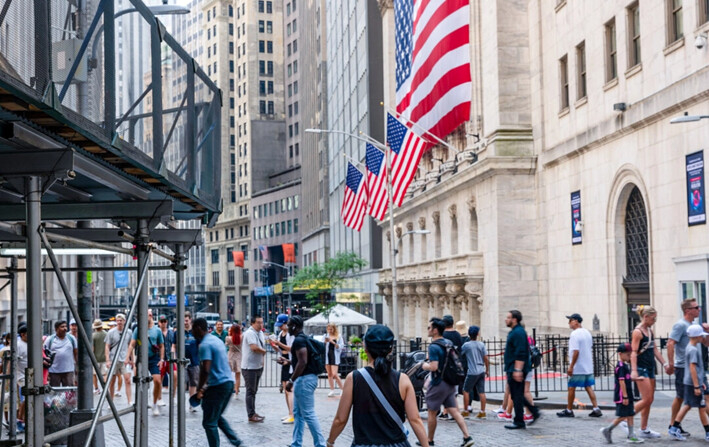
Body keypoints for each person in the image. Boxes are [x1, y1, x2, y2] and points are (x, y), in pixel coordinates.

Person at [327, 324, 429, 447]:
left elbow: (340, 420)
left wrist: (330, 442)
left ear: (365, 348)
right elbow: (415, 420)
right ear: (391, 349)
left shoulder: (353, 378)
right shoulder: (403, 380)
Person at [419, 318, 474, 447]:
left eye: (429, 328)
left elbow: (433, 366)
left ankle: (429, 441)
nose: (428, 330)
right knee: (454, 410)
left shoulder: (434, 346)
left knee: (432, 412)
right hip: (450, 382)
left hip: (438, 383)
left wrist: (423, 365)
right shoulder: (448, 343)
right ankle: (467, 437)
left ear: (435, 330)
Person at [192, 318, 243, 447]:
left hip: (218, 386)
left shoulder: (205, 345)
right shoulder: (216, 341)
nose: (192, 332)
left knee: (209, 422)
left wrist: (199, 389)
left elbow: (205, 369)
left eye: (193, 328)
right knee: (216, 417)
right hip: (228, 384)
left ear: (198, 328)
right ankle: (237, 442)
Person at [283, 315, 326, 447]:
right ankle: (296, 443)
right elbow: (301, 361)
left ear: (295, 326)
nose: (287, 327)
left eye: (289, 325)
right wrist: (289, 361)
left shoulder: (299, 341)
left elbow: (302, 362)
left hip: (304, 381)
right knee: (298, 413)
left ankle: (321, 444)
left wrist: (291, 380)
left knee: (308, 413)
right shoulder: (304, 339)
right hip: (306, 379)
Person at [628, 305, 667, 439]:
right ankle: (624, 419)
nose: (655, 321)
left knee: (650, 400)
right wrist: (634, 371)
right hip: (641, 367)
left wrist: (665, 363)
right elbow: (633, 352)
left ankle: (644, 428)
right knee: (646, 399)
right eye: (653, 318)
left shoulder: (650, 331)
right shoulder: (637, 332)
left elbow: (655, 350)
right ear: (646, 317)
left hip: (650, 367)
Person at [668, 324, 709, 441]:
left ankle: (674, 428)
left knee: (688, 405)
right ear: (697, 336)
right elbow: (693, 368)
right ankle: (707, 432)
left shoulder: (689, 347)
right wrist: (697, 385)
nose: (703, 338)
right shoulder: (693, 350)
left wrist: (700, 382)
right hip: (692, 384)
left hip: (690, 382)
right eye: (702, 336)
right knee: (700, 406)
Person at [666, 298, 700, 438]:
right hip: (683, 367)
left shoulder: (692, 325)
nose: (699, 309)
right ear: (688, 311)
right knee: (682, 397)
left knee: (684, 398)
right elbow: (670, 343)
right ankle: (673, 424)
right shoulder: (680, 325)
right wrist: (671, 363)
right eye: (696, 307)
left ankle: (674, 424)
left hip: (690, 366)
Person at [557, 313, 602, 418]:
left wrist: (571, 366)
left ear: (576, 321)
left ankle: (569, 410)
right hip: (587, 365)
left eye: (570, 320)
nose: (569, 323)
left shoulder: (575, 334)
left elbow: (576, 351)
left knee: (571, 387)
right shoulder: (587, 333)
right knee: (588, 386)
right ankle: (596, 408)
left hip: (578, 366)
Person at [503, 310, 540, 430]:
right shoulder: (515, 332)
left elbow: (520, 352)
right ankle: (532, 412)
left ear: (514, 319)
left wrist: (517, 370)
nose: (506, 319)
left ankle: (520, 420)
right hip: (513, 367)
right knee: (516, 394)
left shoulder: (518, 333)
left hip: (516, 368)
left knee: (517, 395)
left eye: (508, 317)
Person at [600, 343, 643, 444]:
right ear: (620, 354)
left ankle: (631, 435)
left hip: (627, 394)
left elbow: (627, 379)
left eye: (630, 354)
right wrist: (625, 396)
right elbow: (621, 381)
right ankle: (608, 429)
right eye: (627, 355)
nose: (629, 357)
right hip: (623, 395)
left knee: (630, 414)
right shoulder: (620, 367)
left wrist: (636, 379)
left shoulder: (624, 366)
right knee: (623, 416)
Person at [127, 309, 165, 416]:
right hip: (141, 358)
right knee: (139, 381)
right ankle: (140, 402)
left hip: (153, 358)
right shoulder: (138, 329)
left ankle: (154, 403)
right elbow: (132, 344)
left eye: (147, 315)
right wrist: (128, 358)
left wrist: (162, 359)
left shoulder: (157, 330)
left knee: (157, 381)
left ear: (151, 316)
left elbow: (162, 346)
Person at [270, 314, 294, 424]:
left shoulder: (290, 334)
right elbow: (281, 349)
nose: (280, 327)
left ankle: (293, 414)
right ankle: (290, 412)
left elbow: (290, 348)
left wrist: (278, 343)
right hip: (284, 359)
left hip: (290, 361)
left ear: (286, 323)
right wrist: (275, 346)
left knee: (290, 389)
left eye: (281, 325)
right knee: (285, 388)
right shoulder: (281, 333)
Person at [242, 314, 266, 422]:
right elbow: (254, 348)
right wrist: (264, 352)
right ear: (252, 323)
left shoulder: (260, 333)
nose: (261, 325)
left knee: (254, 391)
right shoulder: (249, 333)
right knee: (250, 391)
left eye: (261, 322)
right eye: (258, 323)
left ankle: (253, 412)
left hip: (257, 366)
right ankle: (250, 414)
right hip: (249, 367)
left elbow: (261, 346)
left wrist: (262, 361)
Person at [461, 325, 489, 419]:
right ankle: (483, 411)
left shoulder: (466, 345)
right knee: (482, 392)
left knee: (466, 390)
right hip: (481, 370)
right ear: (477, 334)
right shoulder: (481, 344)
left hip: (472, 372)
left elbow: (461, 354)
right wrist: (487, 370)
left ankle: (466, 411)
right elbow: (486, 358)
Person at [105, 313, 133, 405]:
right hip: (113, 359)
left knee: (128, 380)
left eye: (121, 320)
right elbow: (107, 346)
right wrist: (108, 360)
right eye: (118, 320)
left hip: (124, 359)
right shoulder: (111, 332)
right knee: (112, 381)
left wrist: (132, 359)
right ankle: (111, 401)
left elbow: (130, 346)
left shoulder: (129, 332)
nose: (119, 322)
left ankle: (129, 400)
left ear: (124, 321)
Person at [43, 320, 78, 386]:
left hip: (68, 370)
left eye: (65, 326)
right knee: (55, 393)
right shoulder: (50, 339)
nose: (65, 328)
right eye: (62, 327)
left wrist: (77, 367)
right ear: (56, 329)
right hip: (54, 371)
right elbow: (44, 353)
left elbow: (76, 353)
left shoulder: (71, 338)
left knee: (68, 392)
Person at [184, 311, 201, 412]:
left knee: (193, 383)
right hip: (182, 361)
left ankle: (192, 403)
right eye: (184, 320)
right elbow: (174, 345)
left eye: (187, 320)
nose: (185, 322)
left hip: (194, 361)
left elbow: (200, 345)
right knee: (183, 382)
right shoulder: (178, 332)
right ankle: (182, 402)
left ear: (190, 320)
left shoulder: (195, 332)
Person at [158, 314, 176, 400]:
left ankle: (174, 395)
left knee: (175, 376)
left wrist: (174, 356)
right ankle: (158, 398)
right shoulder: (157, 332)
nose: (163, 323)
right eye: (161, 321)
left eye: (164, 321)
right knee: (159, 378)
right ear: (159, 323)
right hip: (160, 359)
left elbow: (174, 345)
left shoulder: (171, 333)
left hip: (170, 358)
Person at [324, 323, 345, 397]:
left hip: (334, 356)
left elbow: (341, 347)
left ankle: (342, 389)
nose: (329, 331)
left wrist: (332, 342)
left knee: (334, 374)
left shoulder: (338, 336)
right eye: (328, 329)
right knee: (329, 374)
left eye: (331, 329)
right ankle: (332, 390)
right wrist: (325, 342)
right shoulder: (325, 336)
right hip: (327, 356)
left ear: (334, 329)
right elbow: (321, 345)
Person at [225, 324, 242, 396]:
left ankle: (231, 388)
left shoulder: (228, 338)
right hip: (239, 355)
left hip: (231, 355)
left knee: (230, 374)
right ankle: (237, 390)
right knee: (238, 375)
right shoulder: (242, 337)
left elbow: (225, 345)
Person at [92, 319, 107, 395]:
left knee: (94, 374)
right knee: (104, 374)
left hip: (95, 359)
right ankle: (105, 387)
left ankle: (96, 388)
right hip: (105, 358)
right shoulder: (106, 334)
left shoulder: (93, 336)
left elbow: (92, 348)